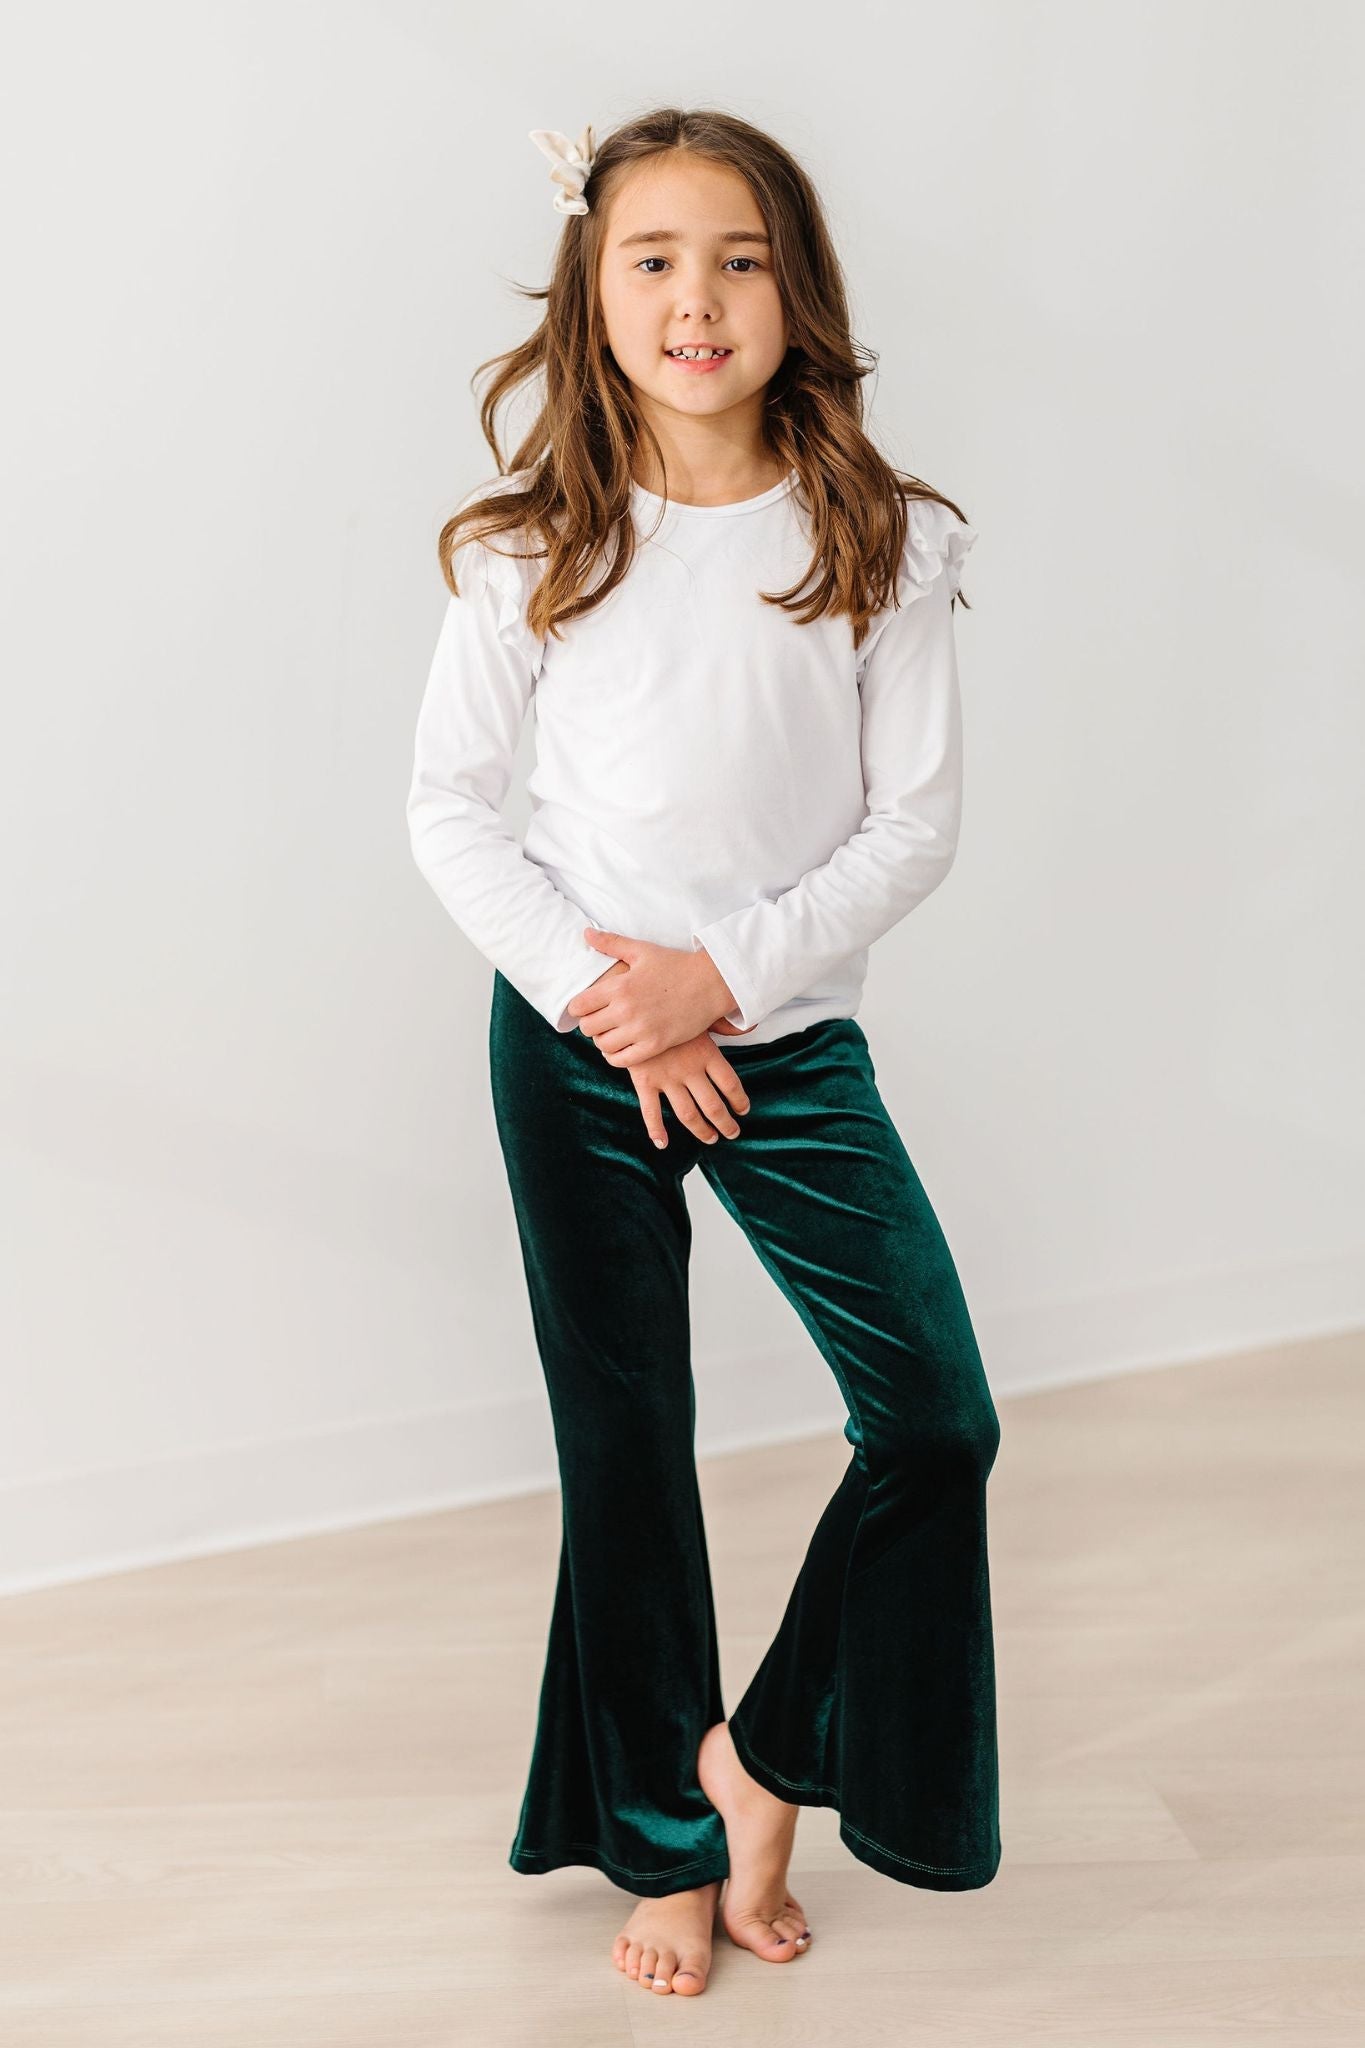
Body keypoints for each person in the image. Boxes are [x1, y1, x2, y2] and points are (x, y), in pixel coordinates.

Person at [406, 107, 1002, 2001]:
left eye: (738, 259)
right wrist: (615, 1002)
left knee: (934, 1419)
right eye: (652, 260)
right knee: (626, 1454)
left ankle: (753, 1759)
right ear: (591, 295)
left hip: (780, 1040)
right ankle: (659, 1845)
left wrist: (717, 983)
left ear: (795, 290)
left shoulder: (882, 540)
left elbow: (910, 828)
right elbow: (449, 812)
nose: (697, 298)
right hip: (575, 1042)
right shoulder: (532, 544)